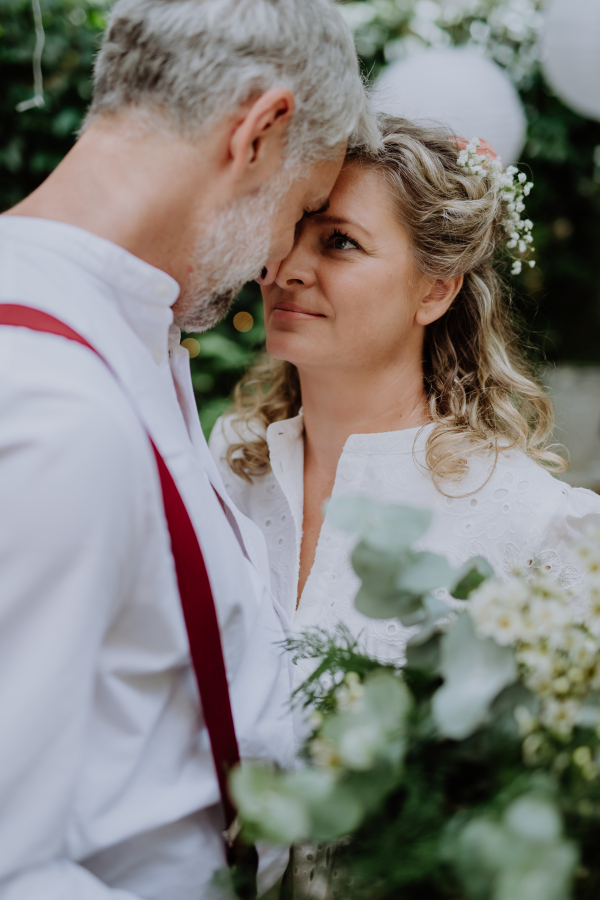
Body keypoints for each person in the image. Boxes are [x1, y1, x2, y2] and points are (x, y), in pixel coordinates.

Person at [0, 0, 379, 897]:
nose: (280, 258)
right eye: (306, 206)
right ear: (260, 132)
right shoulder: (53, 404)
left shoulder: (128, 334)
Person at [210, 116, 600, 700]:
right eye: (289, 230)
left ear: (436, 289)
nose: (283, 269)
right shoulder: (228, 462)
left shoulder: (531, 524)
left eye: (340, 241)